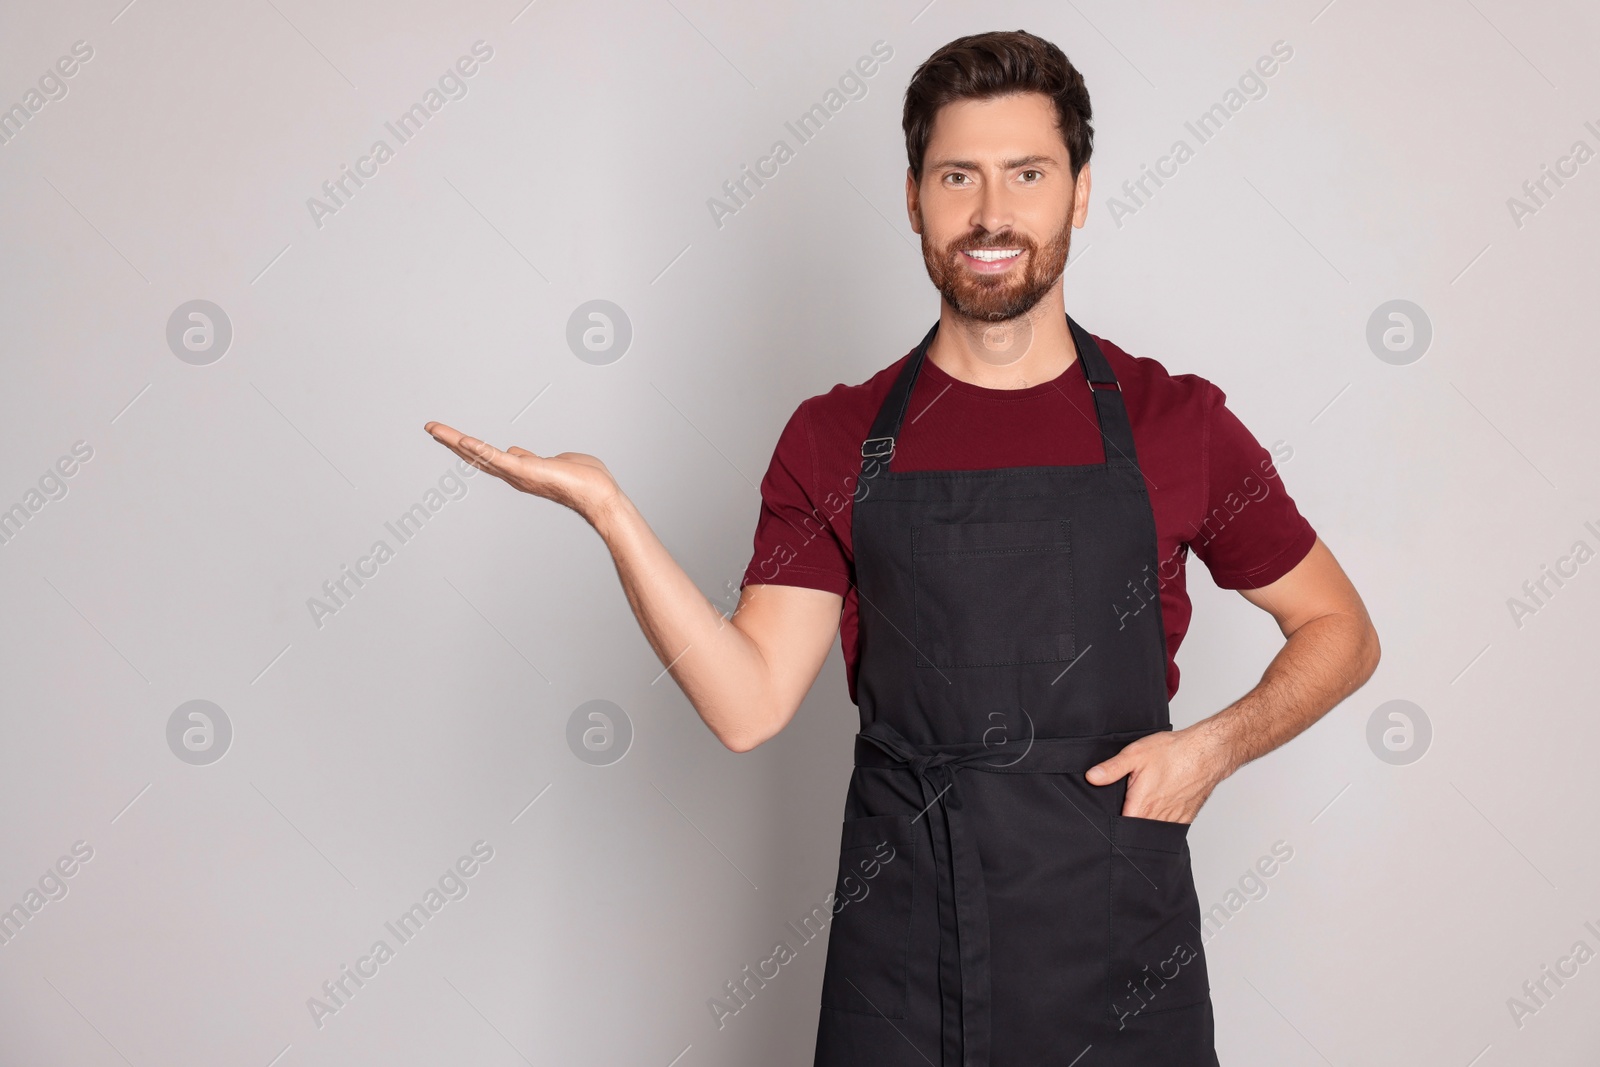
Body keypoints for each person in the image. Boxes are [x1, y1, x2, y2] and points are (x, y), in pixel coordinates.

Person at [424, 28, 1379, 1067]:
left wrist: (1211, 748)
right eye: (956, 175)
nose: (991, 213)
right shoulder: (833, 438)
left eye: (1027, 173)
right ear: (914, 198)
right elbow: (747, 707)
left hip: (1117, 941)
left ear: (1079, 192)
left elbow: (1342, 629)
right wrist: (611, 511)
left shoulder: (1173, 422)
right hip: (906, 944)